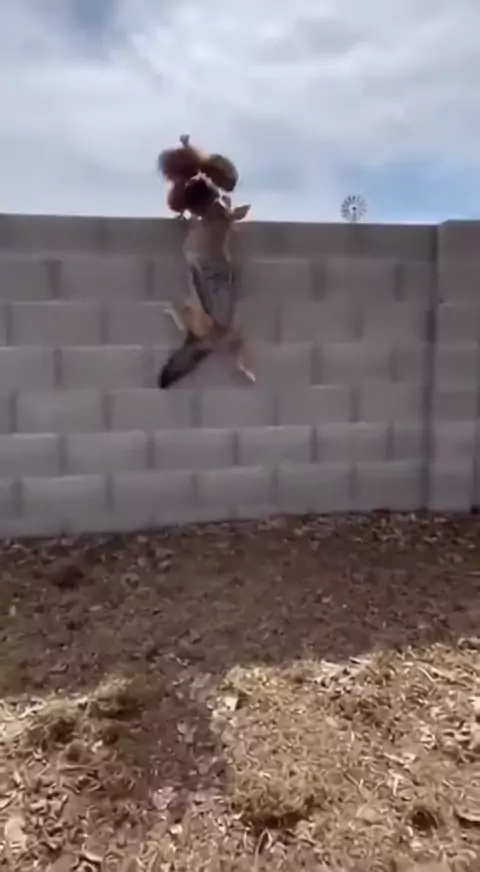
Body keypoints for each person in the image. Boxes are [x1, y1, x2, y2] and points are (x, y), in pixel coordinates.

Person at [158, 172, 255, 389]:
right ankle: (230, 362)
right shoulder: (216, 213)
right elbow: (229, 211)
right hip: (211, 274)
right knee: (221, 327)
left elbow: (228, 213)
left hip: (210, 273)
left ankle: (200, 340)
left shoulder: (211, 216)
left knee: (220, 326)